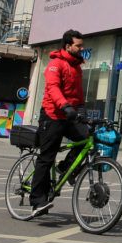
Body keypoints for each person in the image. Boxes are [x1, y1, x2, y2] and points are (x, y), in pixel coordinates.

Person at [29, 29, 87, 218]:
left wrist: (82, 109)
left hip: (68, 115)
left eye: (81, 45)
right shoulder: (56, 64)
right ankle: (37, 200)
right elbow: (53, 88)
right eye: (78, 45)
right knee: (46, 157)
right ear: (68, 46)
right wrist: (65, 106)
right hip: (52, 115)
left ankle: (64, 168)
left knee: (86, 139)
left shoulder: (77, 67)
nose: (81, 48)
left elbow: (77, 94)